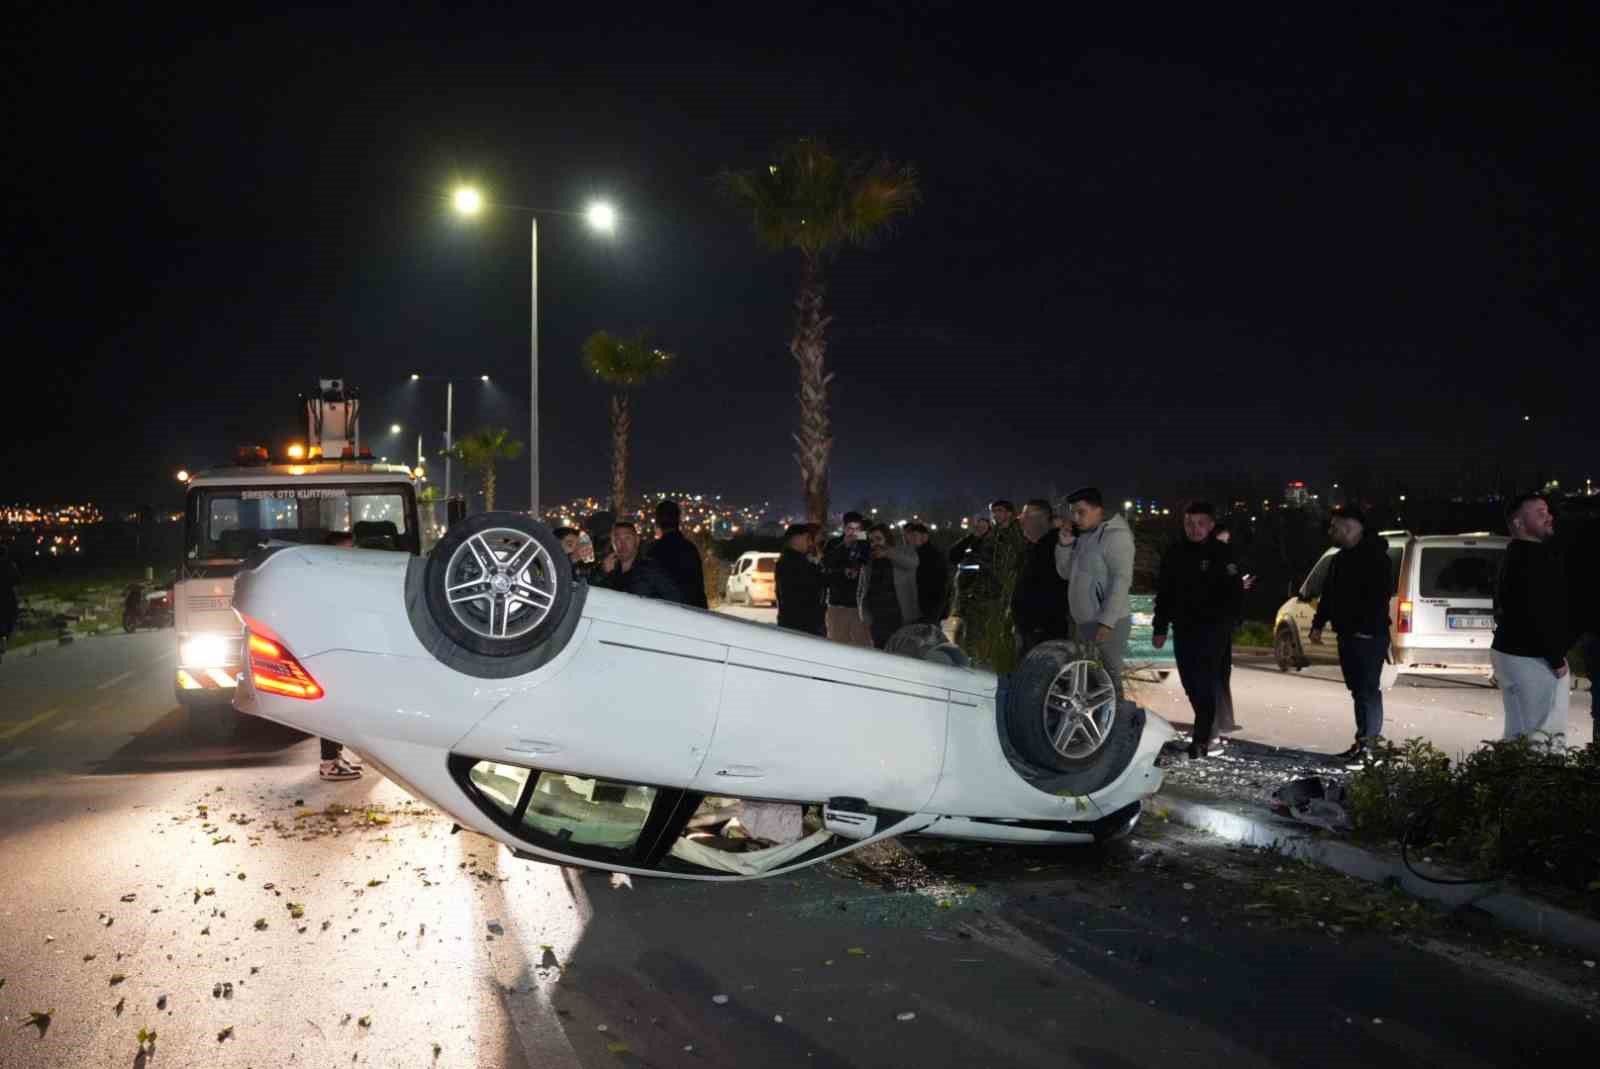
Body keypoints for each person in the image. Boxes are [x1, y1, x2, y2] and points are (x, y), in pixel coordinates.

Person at [1152, 502, 1242, 759]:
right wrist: (1160, 627)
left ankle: (1203, 739)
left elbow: (1235, 591)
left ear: (1211, 525)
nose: (1194, 528)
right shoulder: (1175, 553)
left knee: (1204, 681)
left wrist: (1232, 621)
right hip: (1184, 627)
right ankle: (1206, 732)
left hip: (1214, 629)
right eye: (1189, 523)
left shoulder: (1223, 553)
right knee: (1190, 681)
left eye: (1200, 523)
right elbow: (1165, 593)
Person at [1308, 506, 1392, 765]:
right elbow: (1329, 594)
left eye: (1334, 526)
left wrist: (1362, 626)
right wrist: (1318, 623)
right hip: (1347, 633)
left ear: (1350, 527)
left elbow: (1378, 598)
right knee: (1358, 690)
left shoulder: (1376, 558)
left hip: (1367, 634)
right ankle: (1362, 743)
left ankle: (1370, 748)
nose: (1330, 531)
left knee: (1367, 690)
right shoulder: (1339, 559)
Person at [1492, 492, 1573, 741]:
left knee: (1518, 734)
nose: (1549, 517)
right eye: (1540, 513)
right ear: (1518, 523)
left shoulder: (1514, 555)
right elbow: (1537, 613)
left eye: (1547, 511)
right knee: (1544, 735)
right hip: (1531, 657)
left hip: (1511, 652)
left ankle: (1508, 767)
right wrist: (1556, 659)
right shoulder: (1534, 559)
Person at [1054, 487, 1136, 701]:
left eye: (1081, 512)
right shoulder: (1085, 536)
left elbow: (1121, 580)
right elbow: (1065, 573)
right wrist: (1064, 545)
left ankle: (1117, 719)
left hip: (1107, 623)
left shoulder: (1116, 536)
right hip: (1083, 622)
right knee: (1087, 683)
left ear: (1098, 510)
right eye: (1073, 512)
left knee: (1107, 681)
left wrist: (1107, 622)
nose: (1076, 518)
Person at [317, 530, 363, 781]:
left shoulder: (336, 577)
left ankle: (335, 756)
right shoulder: (327, 580)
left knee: (338, 706)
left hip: (339, 650)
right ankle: (328, 762)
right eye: (347, 549)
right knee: (330, 707)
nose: (352, 553)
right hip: (330, 652)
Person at [1012, 499, 1071, 656]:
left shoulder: (1055, 546)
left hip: (1044, 633)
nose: (1020, 519)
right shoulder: (1035, 547)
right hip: (1031, 630)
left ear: (1042, 518)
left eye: (1026, 515)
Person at [857, 523, 921, 648]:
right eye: (872, 541)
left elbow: (913, 563)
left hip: (900, 616)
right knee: (880, 651)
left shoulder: (902, 551)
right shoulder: (869, 560)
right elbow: (862, 587)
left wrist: (888, 553)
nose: (875, 543)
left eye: (879, 539)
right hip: (876, 618)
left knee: (900, 651)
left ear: (887, 538)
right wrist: (863, 612)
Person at [596, 520, 684, 602]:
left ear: (637, 540)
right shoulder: (608, 570)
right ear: (612, 543)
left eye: (627, 538)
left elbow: (676, 599)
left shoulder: (651, 570)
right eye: (617, 539)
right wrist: (602, 572)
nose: (622, 544)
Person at [821, 512, 873, 647]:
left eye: (857, 529)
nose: (853, 533)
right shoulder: (835, 543)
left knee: (862, 645)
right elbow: (826, 564)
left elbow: (869, 564)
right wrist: (843, 546)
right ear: (844, 528)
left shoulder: (866, 543)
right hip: (838, 602)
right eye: (850, 528)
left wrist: (858, 569)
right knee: (838, 643)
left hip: (860, 605)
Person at [647, 499, 709, 608]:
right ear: (678, 519)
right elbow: (698, 590)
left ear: (657, 521)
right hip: (691, 611)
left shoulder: (652, 551)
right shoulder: (690, 549)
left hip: (662, 612)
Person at [775, 524, 826, 636]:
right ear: (796, 539)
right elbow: (815, 582)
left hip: (794, 620)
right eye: (807, 539)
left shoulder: (791, 560)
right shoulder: (794, 562)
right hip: (801, 622)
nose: (810, 543)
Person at [902, 522, 949, 625]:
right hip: (921, 606)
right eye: (909, 536)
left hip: (929, 606)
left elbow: (940, 583)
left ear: (924, 537)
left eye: (914, 536)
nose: (910, 539)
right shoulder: (913, 554)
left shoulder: (932, 555)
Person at [0, 545, 20, 664]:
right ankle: (4, 638)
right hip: (9, 597)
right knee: (11, 619)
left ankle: (2, 637)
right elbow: (16, 583)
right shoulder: (11, 566)